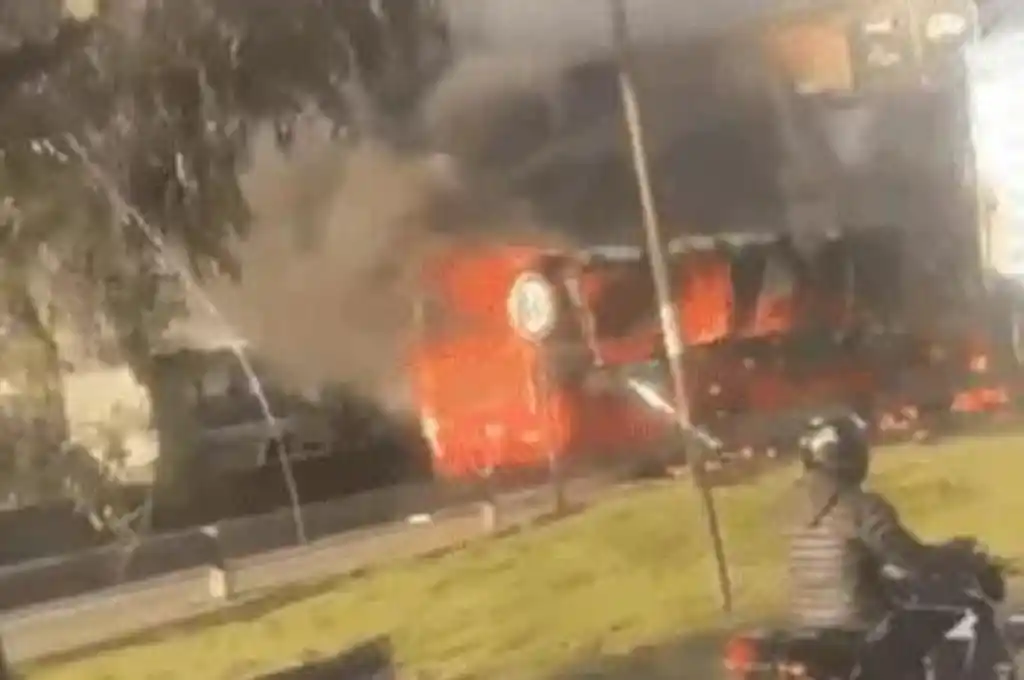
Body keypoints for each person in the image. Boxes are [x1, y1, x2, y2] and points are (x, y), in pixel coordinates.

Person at [787, 413, 936, 631]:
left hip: (807, 628)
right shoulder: (863, 508)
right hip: (861, 630)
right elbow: (907, 557)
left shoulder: (793, 510)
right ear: (852, 455)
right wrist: (953, 556)